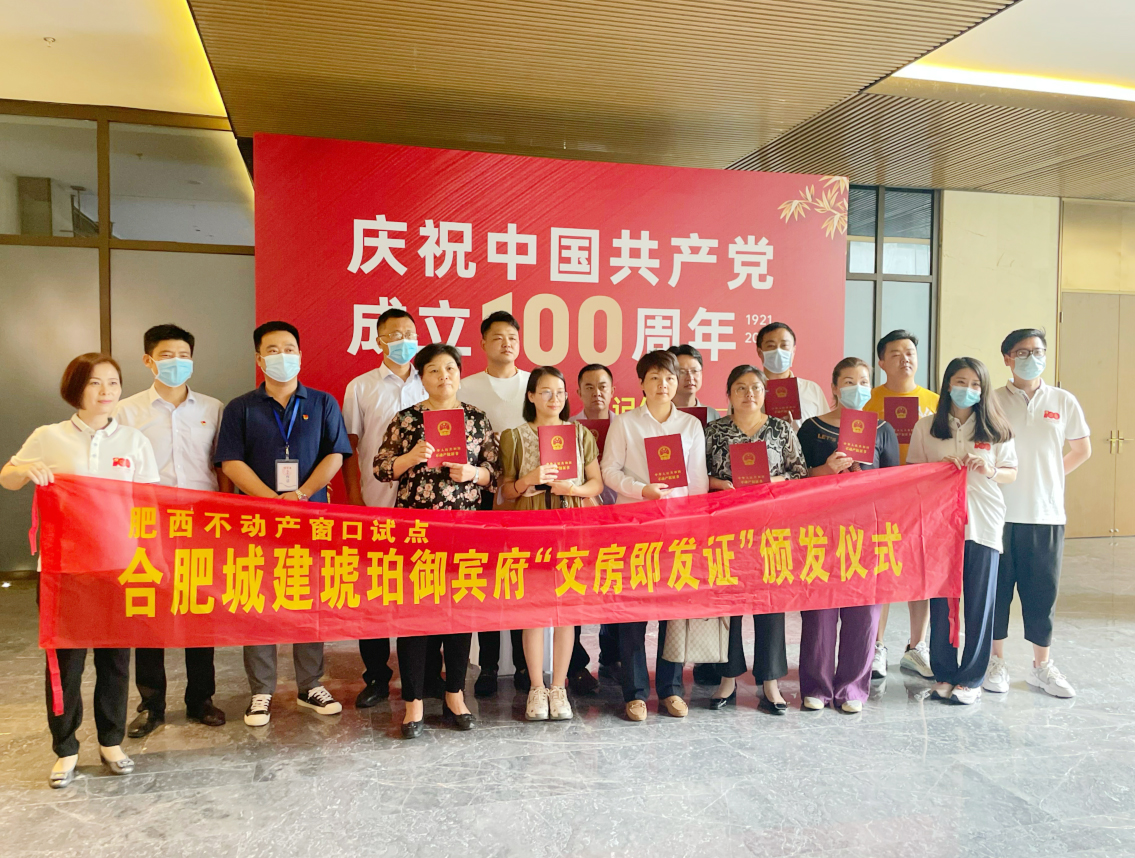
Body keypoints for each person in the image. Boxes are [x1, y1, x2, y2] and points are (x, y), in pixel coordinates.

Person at [2, 354, 159, 788]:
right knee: (65, 664)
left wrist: (154, 559)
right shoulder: (48, 436)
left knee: (115, 661)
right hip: (63, 571)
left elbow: (147, 506)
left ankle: (111, 742)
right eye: (94, 382)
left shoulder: (133, 441)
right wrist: (24, 469)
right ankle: (66, 749)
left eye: (113, 382)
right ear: (75, 388)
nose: (106, 391)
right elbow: (7, 476)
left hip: (118, 569)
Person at [215, 321, 352, 727]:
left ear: (300, 355)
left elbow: (335, 454)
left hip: (310, 518)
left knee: (309, 598)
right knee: (256, 600)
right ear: (259, 359)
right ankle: (261, 691)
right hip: (256, 521)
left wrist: (302, 494)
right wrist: (271, 501)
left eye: (289, 348)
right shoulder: (240, 407)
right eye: (272, 350)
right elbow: (231, 462)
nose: (282, 356)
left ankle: (310, 684)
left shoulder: (323, 403)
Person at [374, 343, 499, 738]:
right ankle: (413, 701)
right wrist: (410, 458)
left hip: (464, 531)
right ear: (422, 378)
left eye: (450, 369)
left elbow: (496, 473)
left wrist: (474, 474)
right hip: (417, 533)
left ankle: (454, 695)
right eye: (434, 370)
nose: (444, 376)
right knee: (415, 614)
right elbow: (381, 468)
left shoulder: (476, 419)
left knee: (459, 614)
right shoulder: (407, 419)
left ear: (460, 375)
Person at [114, 324, 227, 737]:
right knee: (150, 610)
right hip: (149, 521)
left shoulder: (213, 408)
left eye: (183, 355)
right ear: (148, 361)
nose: (176, 363)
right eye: (166, 355)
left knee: (200, 608)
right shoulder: (126, 412)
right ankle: (151, 703)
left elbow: (221, 465)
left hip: (202, 521)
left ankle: (201, 699)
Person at [601, 349, 709, 721]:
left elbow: (697, 482)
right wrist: (640, 490)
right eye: (655, 378)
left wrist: (694, 528)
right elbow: (609, 470)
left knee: (672, 614)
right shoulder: (625, 423)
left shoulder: (690, 426)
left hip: (677, 531)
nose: (663, 384)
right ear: (642, 383)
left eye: (670, 377)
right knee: (633, 612)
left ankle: (671, 689)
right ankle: (634, 693)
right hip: (634, 527)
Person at [986, 329, 1091, 698]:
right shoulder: (992, 401)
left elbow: (1082, 449)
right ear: (1007, 358)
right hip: (998, 514)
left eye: (1038, 351)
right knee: (997, 593)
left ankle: (1040, 666)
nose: (1032, 358)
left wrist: (1051, 476)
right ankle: (996, 661)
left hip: (1046, 515)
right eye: (1022, 352)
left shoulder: (1063, 400)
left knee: (1041, 595)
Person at [908, 357, 1017, 705]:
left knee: (979, 603)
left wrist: (989, 469)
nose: (967, 390)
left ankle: (971, 679)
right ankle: (943, 673)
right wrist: (936, 470)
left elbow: (1011, 472)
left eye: (975, 384)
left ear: (983, 390)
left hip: (982, 523)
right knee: (942, 603)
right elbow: (911, 475)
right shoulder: (926, 427)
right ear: (947, 385)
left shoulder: (996, 428)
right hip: (939, 526)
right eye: (960, 382)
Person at [341, 307, 434, 709]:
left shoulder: (431, 381)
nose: (404, 341)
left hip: (425, 506)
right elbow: (348, 447)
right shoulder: (360, 387)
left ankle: (427, 675)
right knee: (374, 591)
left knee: (425, 588)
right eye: (395, 335)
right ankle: (377, 676)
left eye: (410, 333)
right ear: (378, 340)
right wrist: (355, 499)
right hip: (375, 502)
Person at [500, 367, 605, 721]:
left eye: (559, 392)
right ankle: (536, 687)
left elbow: (596, 484)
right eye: (545, 391)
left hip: (571, 528)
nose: (554, 398)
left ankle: (558, 687)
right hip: (530, 530)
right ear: (531, 396)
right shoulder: (514, 437)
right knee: (533, 611)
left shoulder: (580, 434)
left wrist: (572, 489)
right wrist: (528, 480)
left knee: (566, 611)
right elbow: (506, 491)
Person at [795, 358, 899, 713]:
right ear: (835, 388)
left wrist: (863, 475)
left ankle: (852, 688)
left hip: (867, 531)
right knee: (819, 611)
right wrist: (826, 469)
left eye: (864, 381)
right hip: (821, 531)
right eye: (849, 381)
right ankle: (816, 686)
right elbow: (796, 479)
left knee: (864, 611)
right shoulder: (811, 428)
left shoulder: (882, 429)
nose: (858, 388)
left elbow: (894, 483)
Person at [703, 365, 808, 714]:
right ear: (729, 394)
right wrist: (721, 485)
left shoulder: (780, 429)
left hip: (770, 528)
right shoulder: (715, 430)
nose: (749, 394)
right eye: (741, 388)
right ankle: (727, 678)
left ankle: (770, 682)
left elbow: (800, 474)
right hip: (726, 527)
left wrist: (772, 483)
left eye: (756, 388)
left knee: (770, 603)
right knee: (728, 602)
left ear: (765, 393)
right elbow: (697, 474)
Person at [458, 310, 531, 697]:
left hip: (526, 496)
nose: (506, 343)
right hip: (482, 497)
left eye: (513, 338)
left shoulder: (534, 384)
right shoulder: (466, 387)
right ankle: (487, 665)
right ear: (483, 343)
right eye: (498, 337)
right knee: (485, 579)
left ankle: (523, 664)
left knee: (521, 580)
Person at [864, 329, 941, 681]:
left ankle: (916, 646)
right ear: (881, 362)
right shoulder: (868, 402)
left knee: (920, 572)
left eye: (909, 352)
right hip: (881, 500)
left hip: (925, 500)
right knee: (882, 568)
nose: (904, 359)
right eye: (895, 354)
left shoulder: (936, 402)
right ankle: (877, 645)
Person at [571, 363, 619, 686]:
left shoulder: (626, 426)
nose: (596, 393)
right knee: (574, 588)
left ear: (613, 391)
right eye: (589, 387)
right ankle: (575, 665)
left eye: (603, 386)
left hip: (619, 520)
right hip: (579, 521)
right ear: (578, 392)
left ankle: (612, 658)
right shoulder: (567, 429)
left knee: (615, 588)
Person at [754, 322, 828, 427]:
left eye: (784, 345)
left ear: (793, 350)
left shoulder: (811, 390)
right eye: (771, 346)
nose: (778, 351)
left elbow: (826, 429)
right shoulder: (747, 391)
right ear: (759, 352)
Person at [668, 344, 722, 421]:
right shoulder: (659, 413)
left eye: (694, 371)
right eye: (682, 372)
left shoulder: (711, 414)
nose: (690, 377)